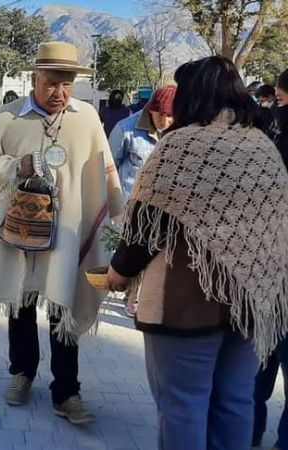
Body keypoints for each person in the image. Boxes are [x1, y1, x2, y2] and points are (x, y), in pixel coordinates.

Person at [107, 56, 288, 450]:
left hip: (186, 303)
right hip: (251, 300)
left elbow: (144, 227)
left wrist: (119, 272)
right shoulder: (263, 146)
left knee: (183, 404)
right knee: (235, 401)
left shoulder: (181, 146)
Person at [0, 41, 124, 425]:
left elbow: (103, 172)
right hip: (18, 230)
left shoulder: (86, 118)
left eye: (67, 84)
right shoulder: (7, 118)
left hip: (68, 232)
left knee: (62, 304)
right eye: (51, 83)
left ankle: (66, 392)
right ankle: (21, 374)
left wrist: (114, 221)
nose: (60, 93)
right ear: (34, 78)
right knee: (21, 303)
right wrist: (16, 165)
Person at [252, 70, 288, 450]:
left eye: (278, 99)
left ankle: (248, 432)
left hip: (269, 271)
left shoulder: (267, 141)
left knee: (259, 365)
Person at [109, 85, 175, 201]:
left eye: (169, 116)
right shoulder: (124, 130)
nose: (164, 121)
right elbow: (109, 169)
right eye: (160, 114)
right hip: (130, 204)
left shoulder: (181, 131)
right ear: (151, 110)